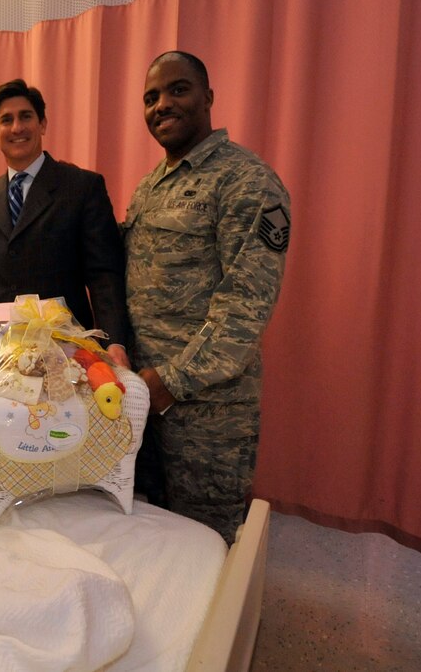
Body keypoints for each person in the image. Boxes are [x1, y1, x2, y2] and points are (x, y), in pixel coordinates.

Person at [124, 50, 291, 544]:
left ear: (208, 97)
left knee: (206, 543)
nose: (162, 105)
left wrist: (171, 380)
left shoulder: (247, 181)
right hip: (143, 396)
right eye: (151, 97)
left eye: (178, 90)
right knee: (150, 530)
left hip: (208, 414)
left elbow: (245, 306)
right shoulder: (151, 186)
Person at [0, 79, 130, 367]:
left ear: (42, 124)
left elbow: (104, 275)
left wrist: (115, 342)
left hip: (68, 350)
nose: (17, 128)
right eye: (6, 120)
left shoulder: (82, 187)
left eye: (26, 116)